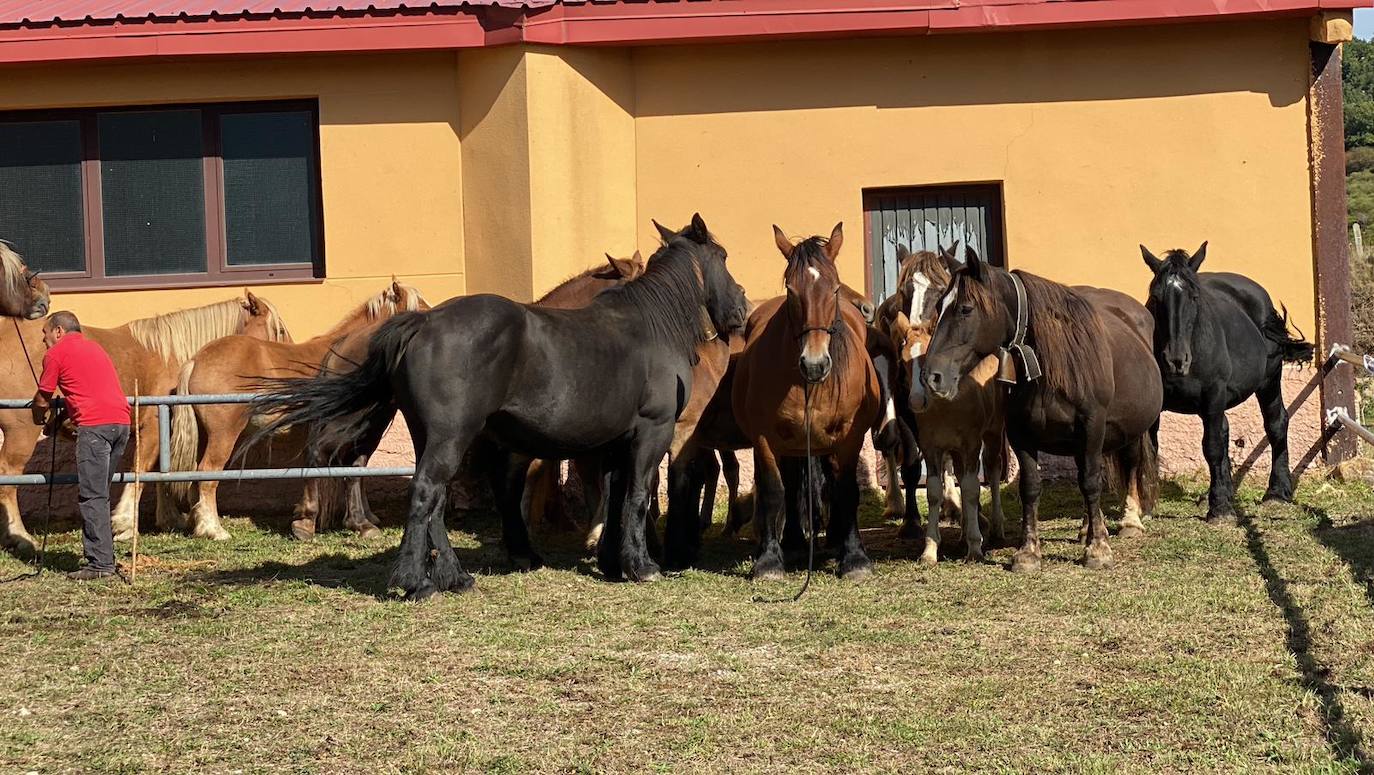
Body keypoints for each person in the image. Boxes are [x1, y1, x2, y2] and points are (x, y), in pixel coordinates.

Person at [32, 311, 130, 581]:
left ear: (59, 331)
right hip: (121, 423)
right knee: (102, 493)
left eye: (46, 334)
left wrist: (39, 416)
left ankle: (100, 565)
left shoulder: (56, 353)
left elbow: (43, 396)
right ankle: (106, 556)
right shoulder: (95, 348)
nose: (45, 341)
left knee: (93, 496)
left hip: (95, 428)